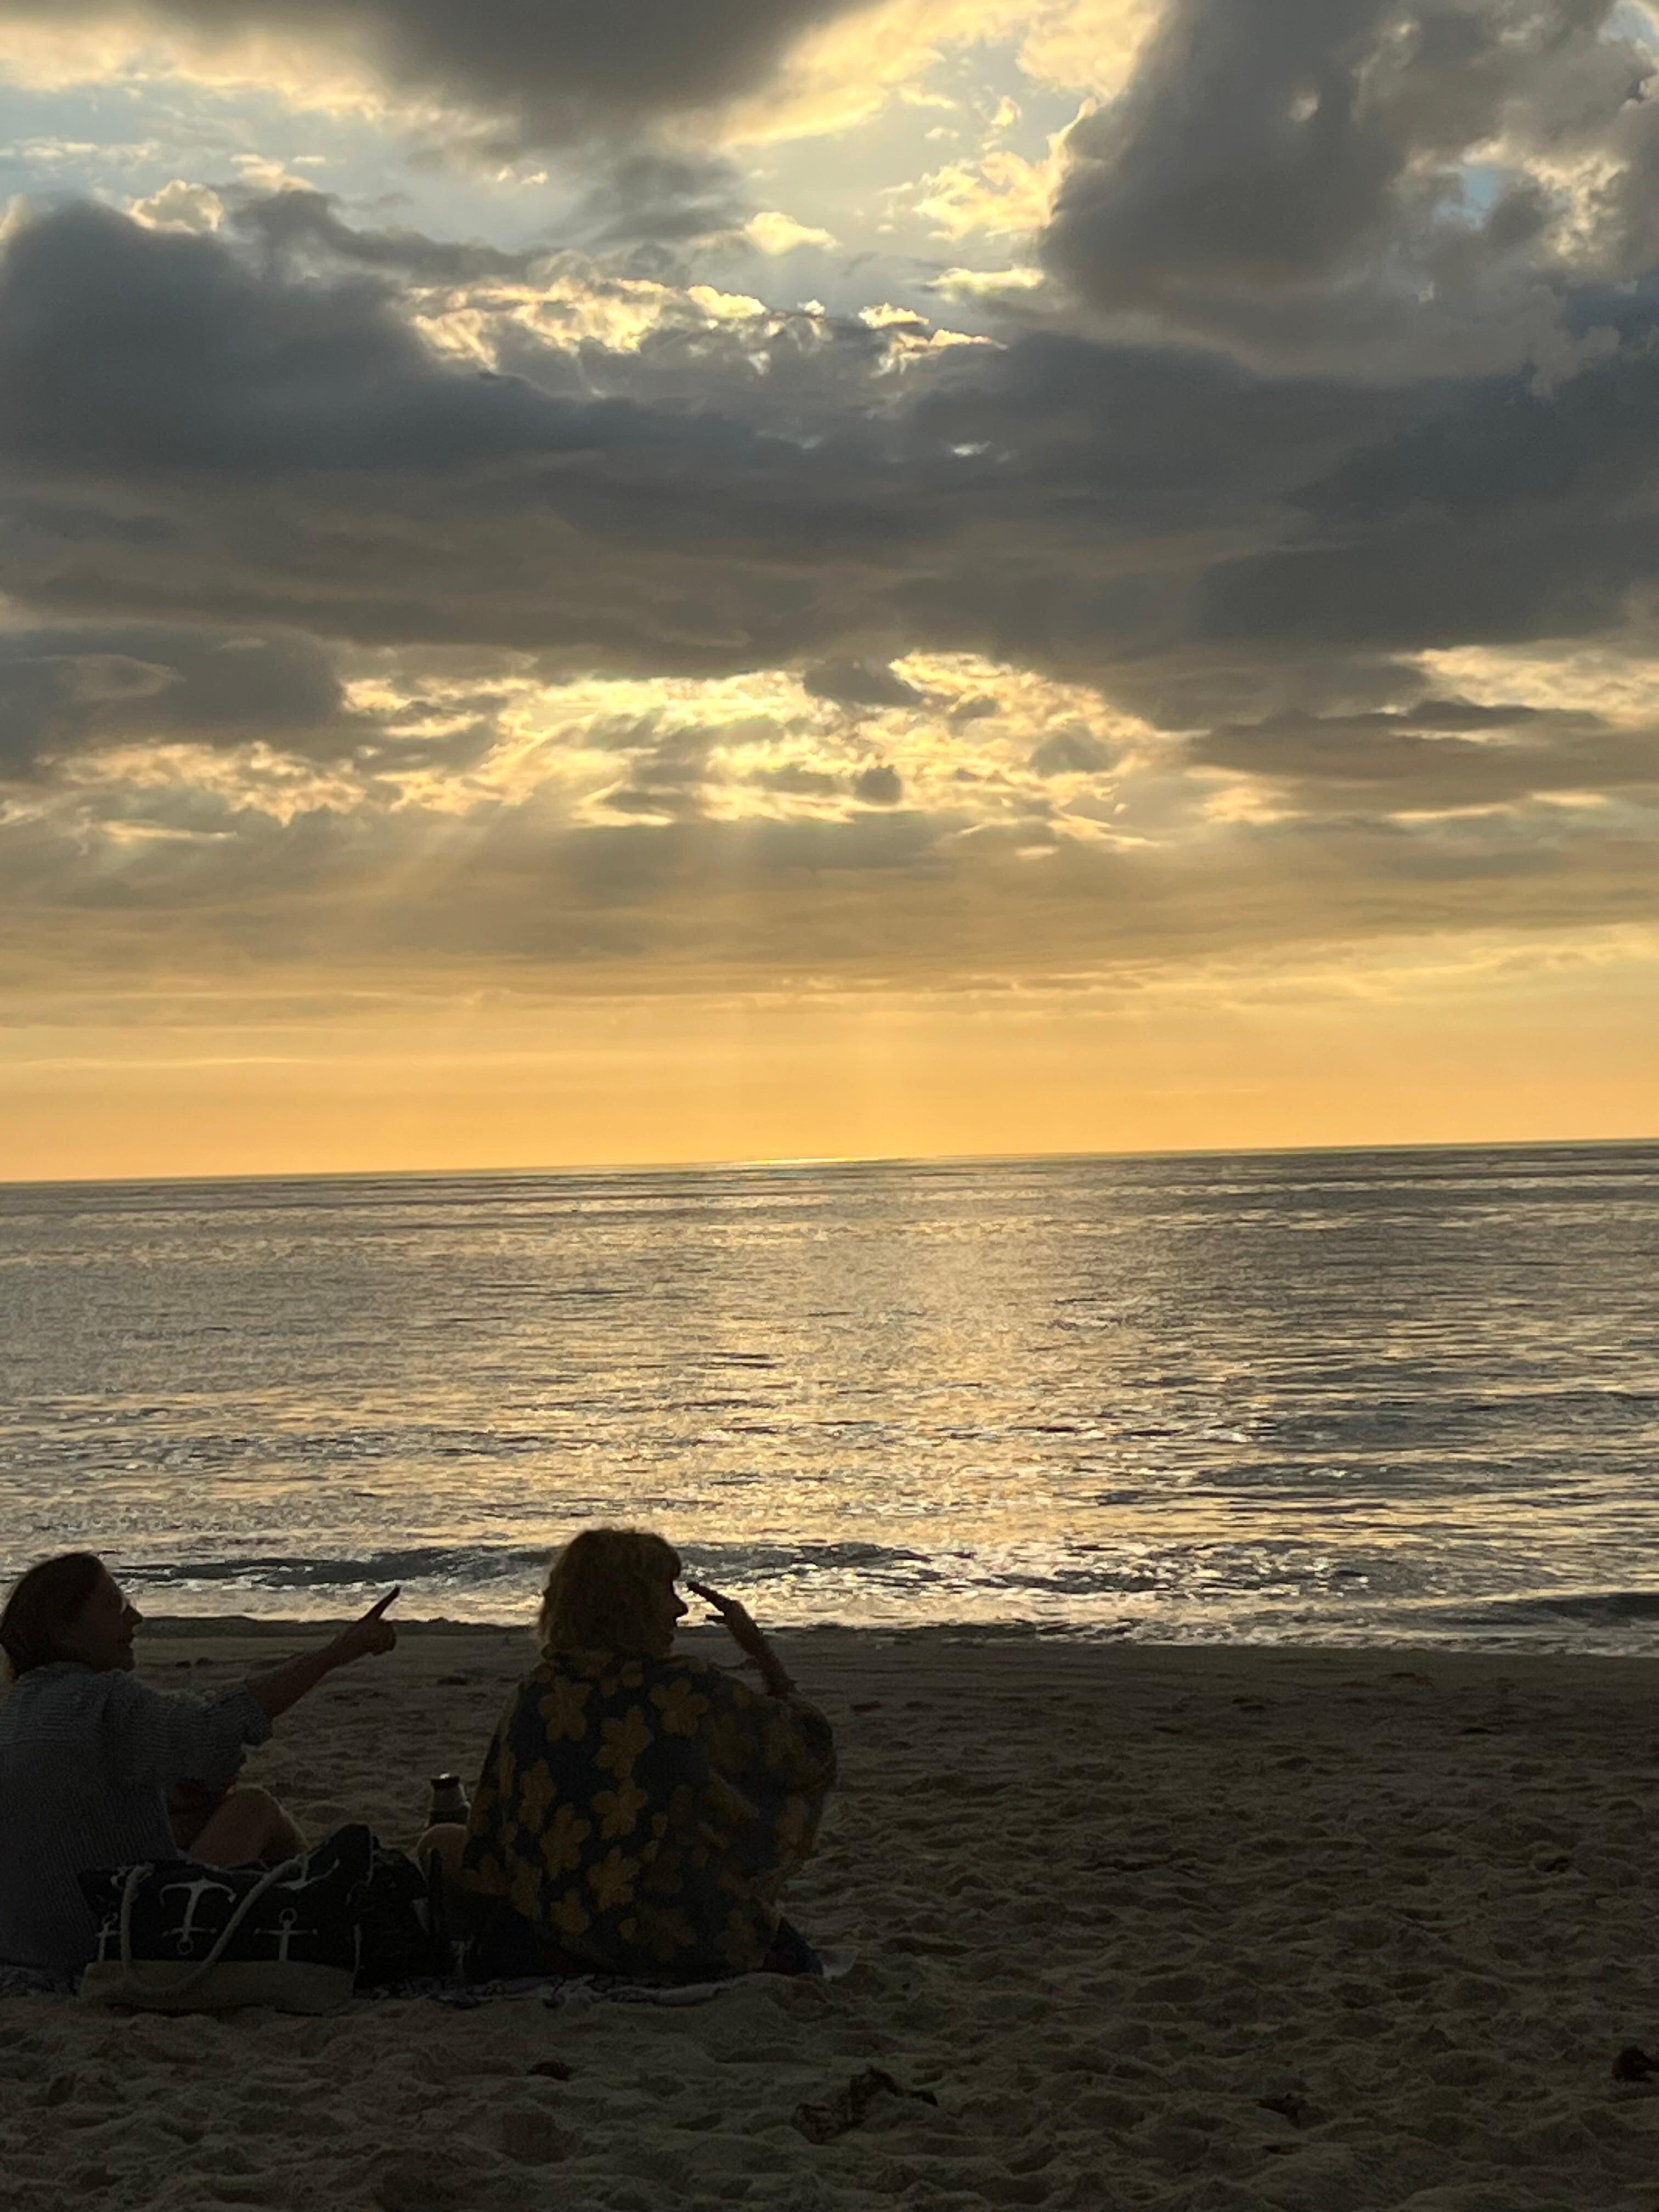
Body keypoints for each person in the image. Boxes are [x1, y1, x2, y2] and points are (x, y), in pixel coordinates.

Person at [435, 1528, 836, 1983]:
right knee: (802, 1964)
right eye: (666, 1592)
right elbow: (806, 1750)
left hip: (554, 1939)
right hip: (672, 1940)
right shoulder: (685, 1692)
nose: (681, 1608)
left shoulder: (537, 1692)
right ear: (631, 1604)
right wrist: (760, 1651)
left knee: (445, 1838)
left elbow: (492, 1837)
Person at [0, 1551, 398, 1972]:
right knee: (254, 1807)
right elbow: (219, 1725)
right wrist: (337, 1652)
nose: (135, 1618)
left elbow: (74, 1807)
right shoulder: (104, 1703)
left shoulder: (14, 1715)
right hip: (113, 1940)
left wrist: (171, 1802)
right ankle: (324, 1921)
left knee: (188, 1821)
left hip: (29, 1946)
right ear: (64, 1630)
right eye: (116, 1607)